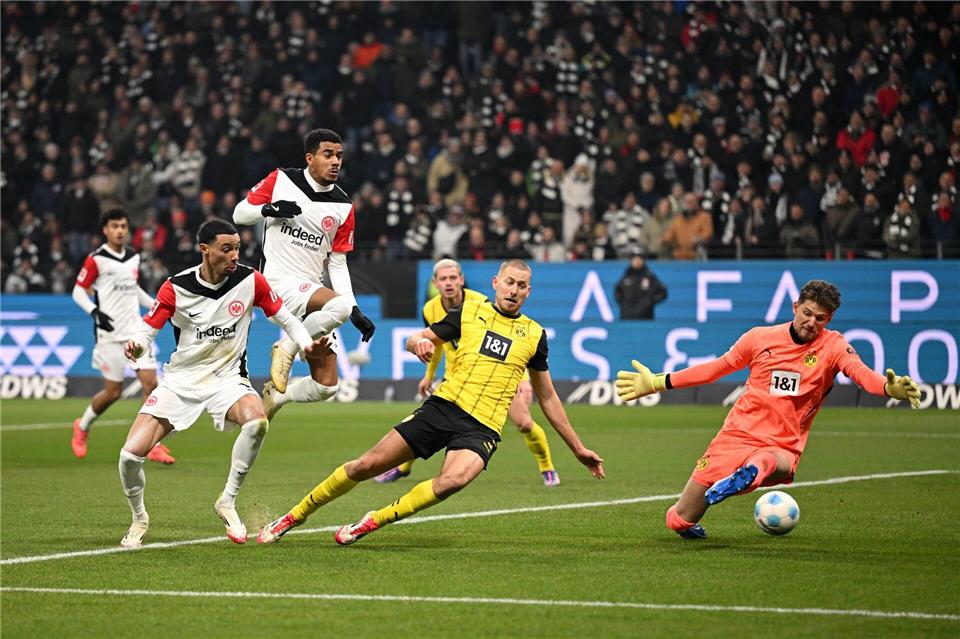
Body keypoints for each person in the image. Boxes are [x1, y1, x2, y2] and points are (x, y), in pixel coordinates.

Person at [257, 259, 605, 546]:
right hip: (443, 407)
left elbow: (547, 396)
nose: (514, 290)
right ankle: (293, 515)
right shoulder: (468, 313)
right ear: (496, 283)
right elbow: (416, 339)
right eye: (509, 283)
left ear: (529, 291)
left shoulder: (534, 335)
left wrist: (577, 448)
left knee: (454, 480)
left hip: (482, 427)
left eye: (522, 286)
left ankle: (372, 521)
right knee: (366, 465)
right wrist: (418, 344)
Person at [615, 279, 921, 539]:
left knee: (766, 460)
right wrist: (657, 382)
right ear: (795, 306)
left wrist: (887, 388)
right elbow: (715, 369)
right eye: (807, 313)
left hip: (782, 448)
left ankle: (750, 473)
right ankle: (723, 490)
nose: (812, 322)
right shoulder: (760, 339)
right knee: (678, 519)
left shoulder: (834, 347)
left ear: (829, 321)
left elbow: (862, 375)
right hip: (735, 436)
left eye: (821, 318)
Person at [117, 219, 324, 548]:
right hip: (181, 381)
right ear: (205, 250)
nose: (234, 255)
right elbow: (147, 329)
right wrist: (137, 345)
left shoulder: (250, 281)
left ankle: (227, 500)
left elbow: (285, 317)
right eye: (226, 249)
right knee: (129, 457)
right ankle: (139, 518)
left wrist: (305, 342)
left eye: (237, 248)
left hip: (227, 380)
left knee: (257, 423)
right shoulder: (176, 286)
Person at [374, 258, 562, 486]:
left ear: (462, 280)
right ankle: (402, 468)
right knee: (426, 422)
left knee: (523, 423)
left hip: (495, 377)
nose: (449, 283)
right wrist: (429, 375)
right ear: (435, 283)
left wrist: (523, 379)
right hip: (457, 377)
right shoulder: (429, 308)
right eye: (443, 279)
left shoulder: (478, 303)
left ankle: (547, 467)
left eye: (453, 278)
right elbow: (436, 343)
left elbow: (510, 340)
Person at [232, 128, 376, 421]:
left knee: (327, 386)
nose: (335, 161)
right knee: (338, 306)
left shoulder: (343, 206)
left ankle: (279, 395)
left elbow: (337, 263)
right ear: (310, 158)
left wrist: (355, 309)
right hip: (276, 285)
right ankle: (286, 347)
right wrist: (269, 210)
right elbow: (238, 215)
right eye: (328, 154)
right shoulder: (282, 180)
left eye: (339, 155)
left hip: (310, 296)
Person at [71, 209, 175, 465]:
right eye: (115, 226)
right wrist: (95, 312)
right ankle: (82, 426)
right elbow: (78, 291)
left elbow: (134, 290)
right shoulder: (96, 260)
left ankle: (153, 444)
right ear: (105, 229)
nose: (120, 230)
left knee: (151, 384)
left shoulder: (133, 257)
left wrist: (157, 305)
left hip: (136, 333)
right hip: (109, 335)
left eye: (124, 226)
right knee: (113, 392)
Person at [614, 247, 668, 320]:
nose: (636, 261)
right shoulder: (626, 276)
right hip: (627, 317)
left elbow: (663, 292)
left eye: (638, 259)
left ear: (643, 260)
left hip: (645, 318)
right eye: (634, 259)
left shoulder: (649, 276)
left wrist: (650, 302)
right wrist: (624, 305)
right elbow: (617, 292)